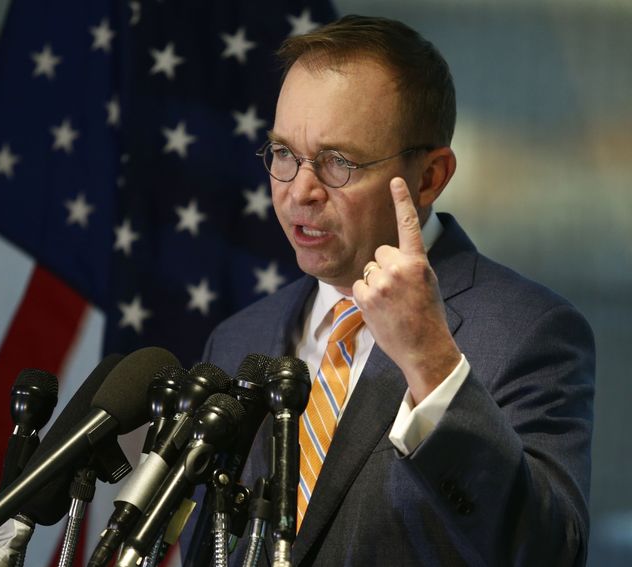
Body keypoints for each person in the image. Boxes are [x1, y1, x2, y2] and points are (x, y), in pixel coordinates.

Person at [199, 15, 595, 566]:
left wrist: (430, 361)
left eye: (339, 162)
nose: (299, 192)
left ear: (430, 176)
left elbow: (546, 552)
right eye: (284, 153)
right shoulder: (237, 338)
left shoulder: (531, 332)